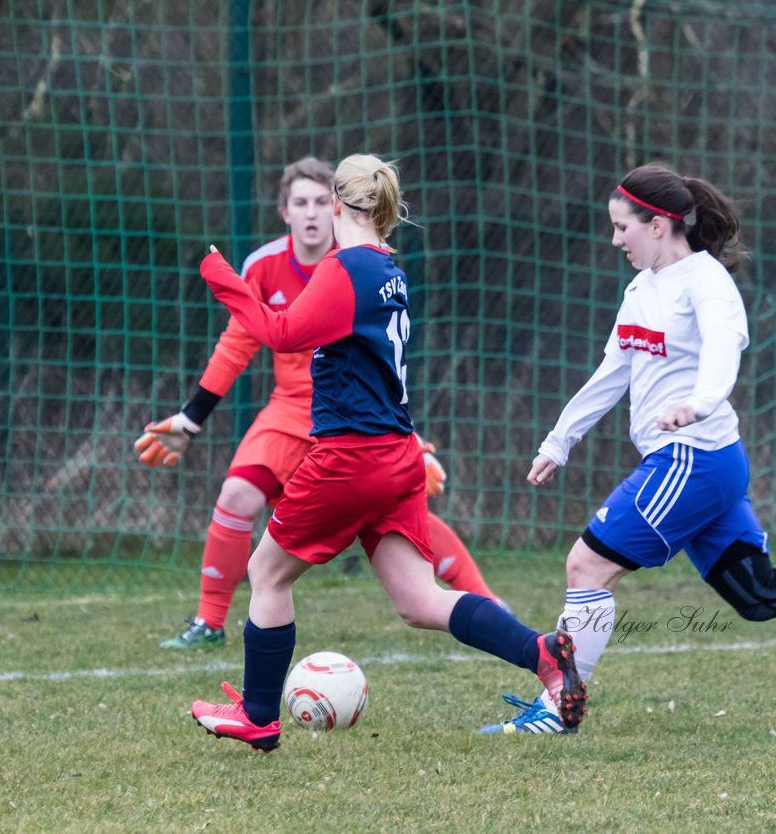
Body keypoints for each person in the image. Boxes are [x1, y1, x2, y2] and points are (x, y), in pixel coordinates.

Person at [490, 163, 776, 735]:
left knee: (586, 565)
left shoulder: (707, 281)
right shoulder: (641, 289)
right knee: (760, 595)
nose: (616, 239)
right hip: (706, 464)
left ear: (660, 224)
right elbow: (611, 374)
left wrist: (700, 402)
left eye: (623, 228)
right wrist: (558, 442)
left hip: (692, 456)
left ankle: (558, 712)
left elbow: (725, 348)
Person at [188, 154, 586, 751]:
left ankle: (260, 717)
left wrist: (223, 279)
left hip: (351, 456)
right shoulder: (387, 269)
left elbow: (281, 335)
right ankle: (543, 654)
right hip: (394, 453)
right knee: (420, 601)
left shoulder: (344, 268)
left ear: (339, 204)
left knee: (266, 571)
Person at [135, 156, 502, 651]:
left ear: (336, 206)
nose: (310, 213)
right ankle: (208, 622)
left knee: (394, 529)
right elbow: (238, 343)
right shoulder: (273, 265)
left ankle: (487, 602)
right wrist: (191, 418)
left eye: (317, 201)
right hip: (291, 414)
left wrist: (413, 441)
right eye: (299, 203)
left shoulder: (356, 265)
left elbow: (371, 360)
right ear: (284, 211)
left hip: (351, 425)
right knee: (237, 496)